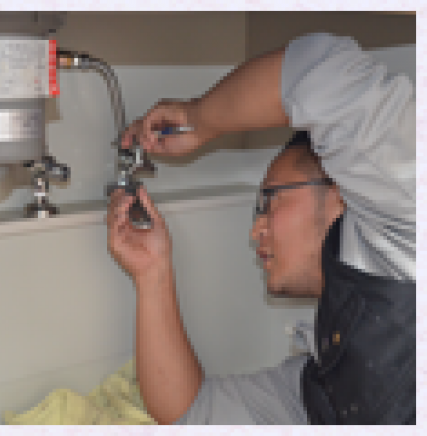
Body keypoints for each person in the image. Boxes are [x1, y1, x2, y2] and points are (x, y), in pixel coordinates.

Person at [106, 33, 415, 424]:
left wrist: (198, 119)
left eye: (270, 201)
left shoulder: (409, 223)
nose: (256, 231)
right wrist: (152, 274)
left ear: (342, 193)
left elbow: (320, 70)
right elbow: (193, 413)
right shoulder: (329, 380)